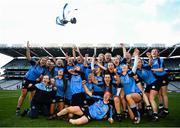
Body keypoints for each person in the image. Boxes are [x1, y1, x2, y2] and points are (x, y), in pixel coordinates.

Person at [16, 41, 47, 115]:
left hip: (34, 82)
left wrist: (37, 81)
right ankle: (18, 109)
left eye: (45, 61)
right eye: (42, 60)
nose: (43, 61)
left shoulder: (44, 69)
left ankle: (31, 109)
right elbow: (28, 56)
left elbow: (40, 78)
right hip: (26, 79)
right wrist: (28, 48)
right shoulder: (35, 63)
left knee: (32, 96)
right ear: (40, 60)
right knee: (23, 94)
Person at [148, 49, 169, 117]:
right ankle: (161, 108)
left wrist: (152, 69)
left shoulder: (160, 59)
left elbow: (161, 69)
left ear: (158, 53)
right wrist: (149, 57)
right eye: (152, 52)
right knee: (159, 94)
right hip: (156, 78)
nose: (154, 52)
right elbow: (149, 66)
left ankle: (166, 110)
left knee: (164, 94)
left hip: (163, 77)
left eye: (155, 51)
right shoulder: (151, 60)